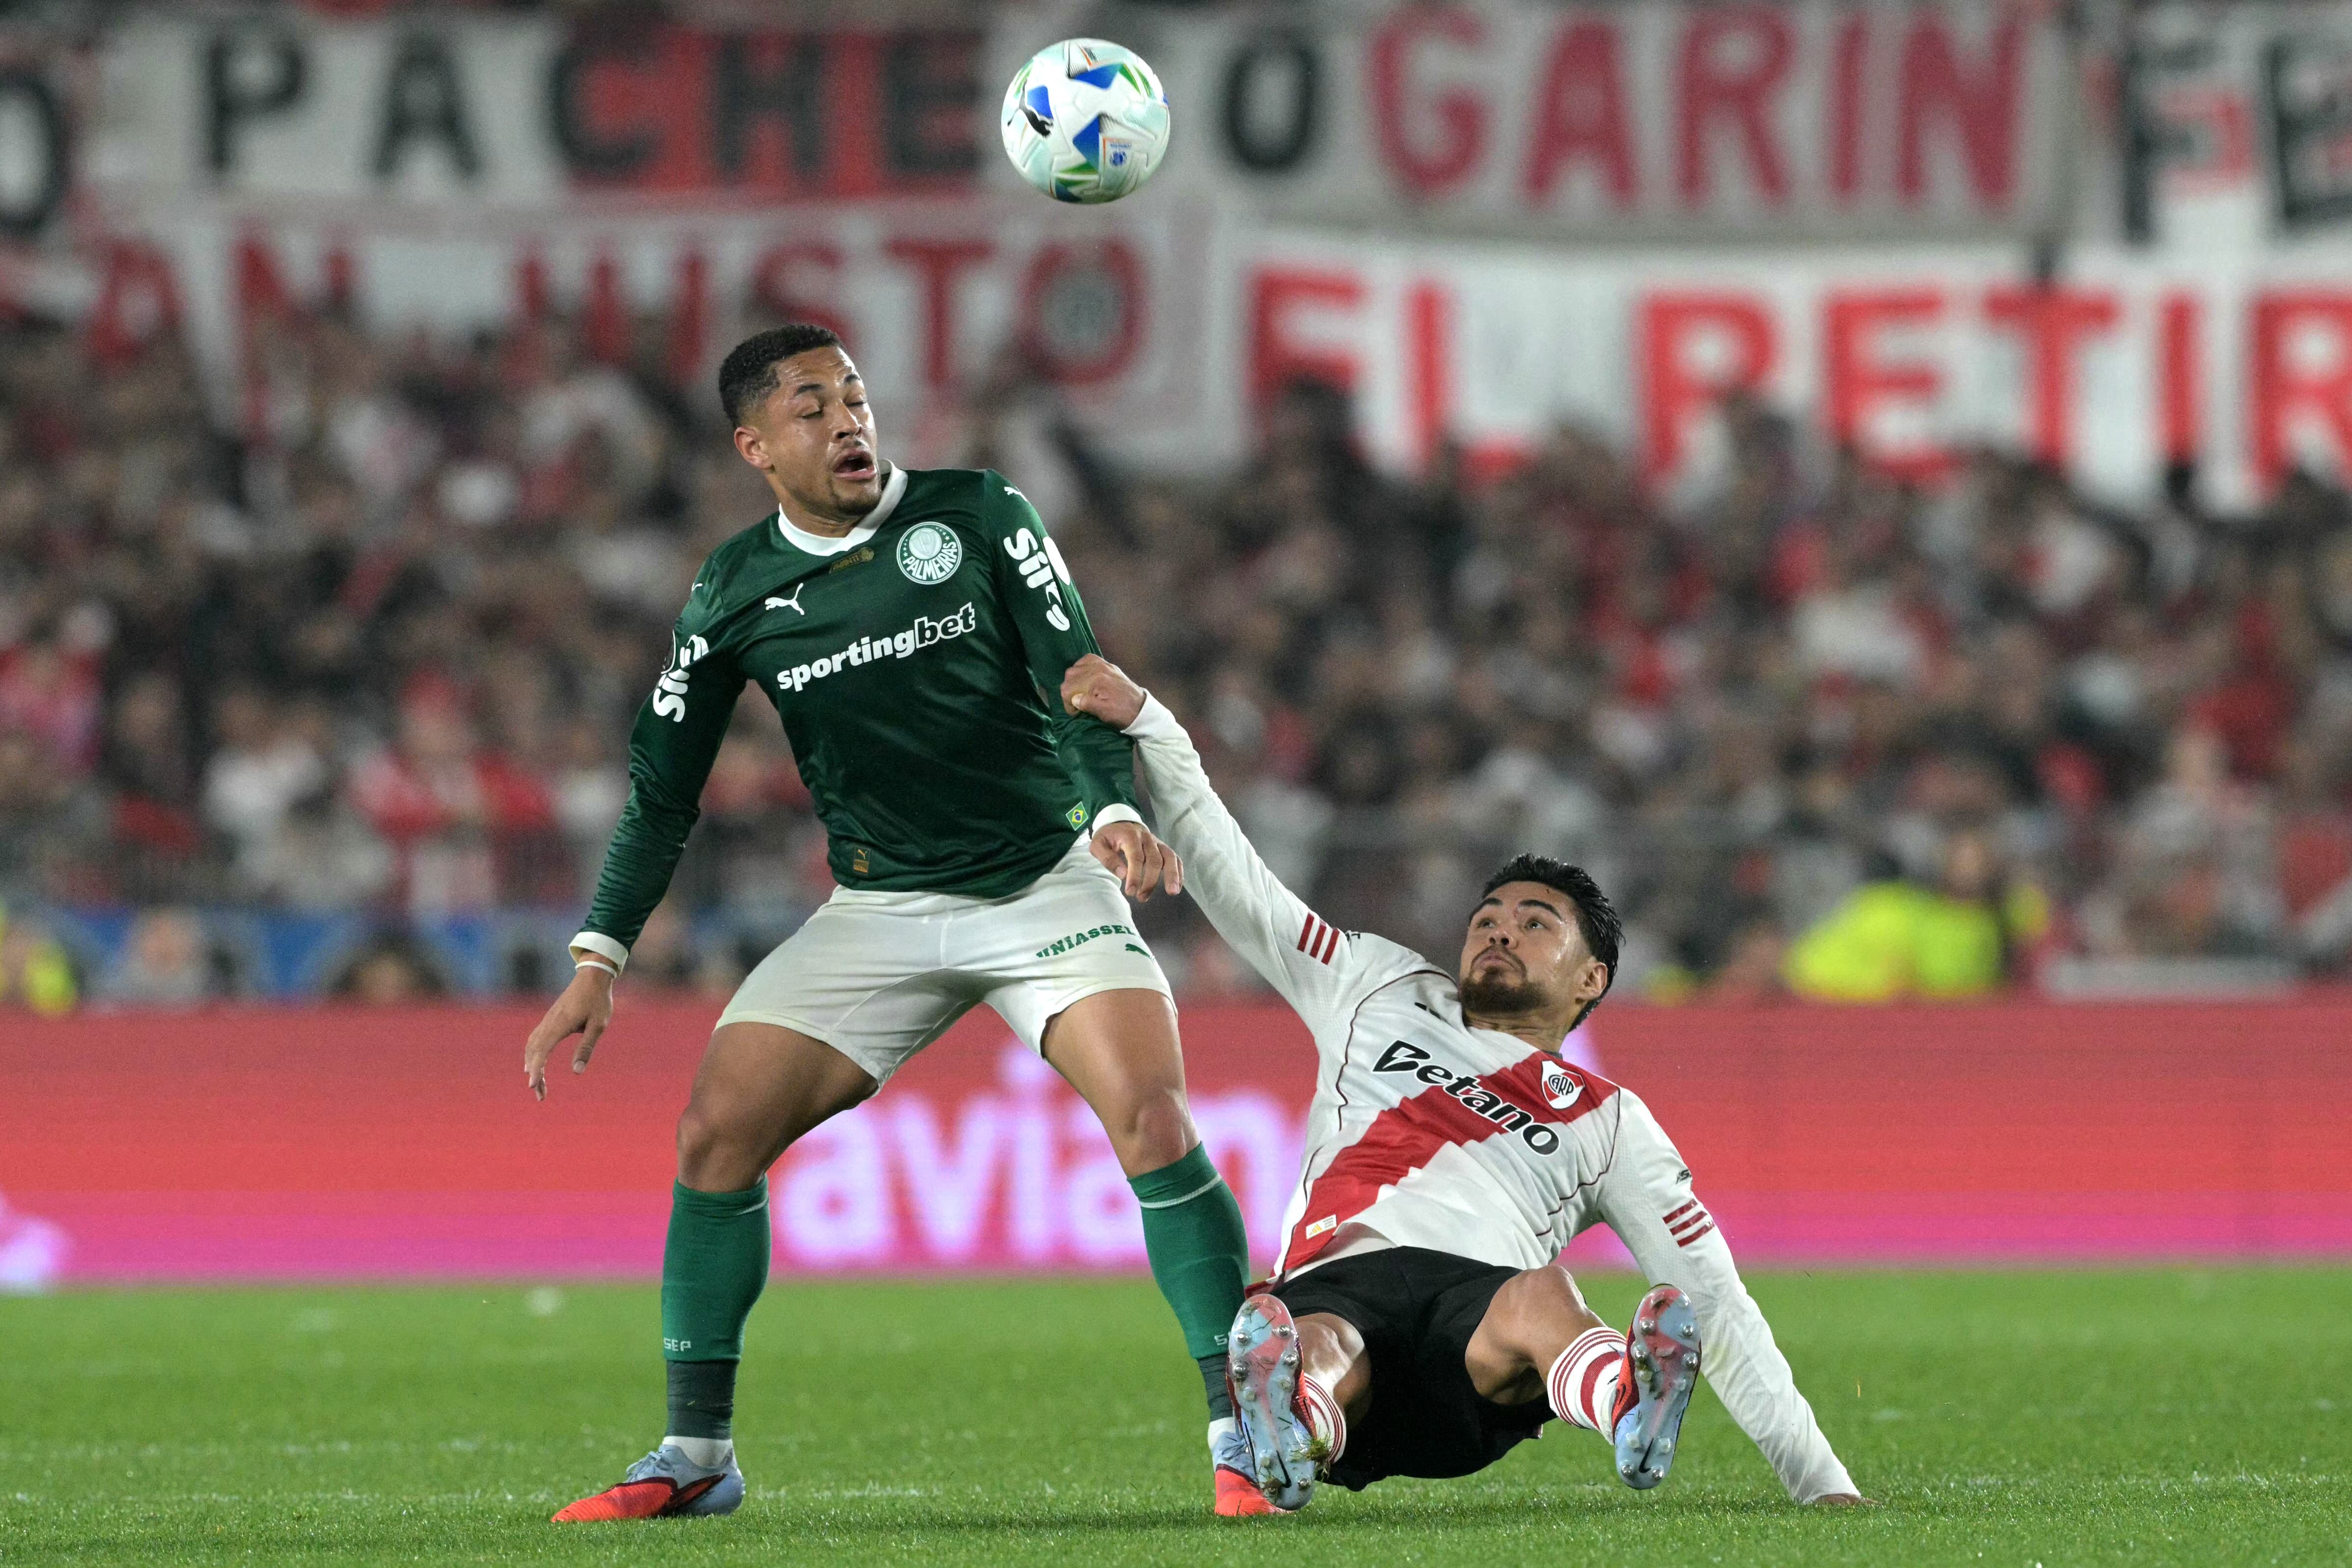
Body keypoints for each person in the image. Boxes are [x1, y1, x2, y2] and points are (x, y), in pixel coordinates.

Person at [528, 326, 1253, 1521]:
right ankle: (696, 1454)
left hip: (1044, 884)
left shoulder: (977, 512)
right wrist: (600, 953)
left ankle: (1246, 1425)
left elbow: (1077, 674)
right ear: (756, 448)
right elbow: (663, 787)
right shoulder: (732, 588)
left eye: (855, 396)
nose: (848, 421)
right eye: (811, 407)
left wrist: (1114, 808)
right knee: (714, 1135)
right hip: (880, 906)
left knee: (1152, 1115)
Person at [1060, 654, 1867, 1513]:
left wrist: (1822, 1483)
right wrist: (1153, 726)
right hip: (1341, 1284)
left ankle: (1627, 1404)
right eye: (1487, 918)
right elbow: (1238, 882)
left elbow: (1716, 1304)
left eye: (1534, 923)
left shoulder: (1610, 1121)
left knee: (1546, 1294)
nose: (1499, 932)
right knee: (1310, 1337)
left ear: (1591, 978)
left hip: (1476, 1337)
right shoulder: (1376, 985)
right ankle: (1291, 1428)